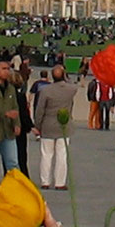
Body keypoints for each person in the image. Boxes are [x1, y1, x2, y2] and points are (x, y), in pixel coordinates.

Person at [33, 63, 78, 191]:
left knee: (46, 154)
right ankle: (60, 182)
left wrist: (37, 125)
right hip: (63, 125)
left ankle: (45, 181)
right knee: (61, 155)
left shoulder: (45, 90)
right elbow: (73, 86)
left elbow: (40, 110)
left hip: (48, 124)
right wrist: (66, 77)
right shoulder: (70, 90)